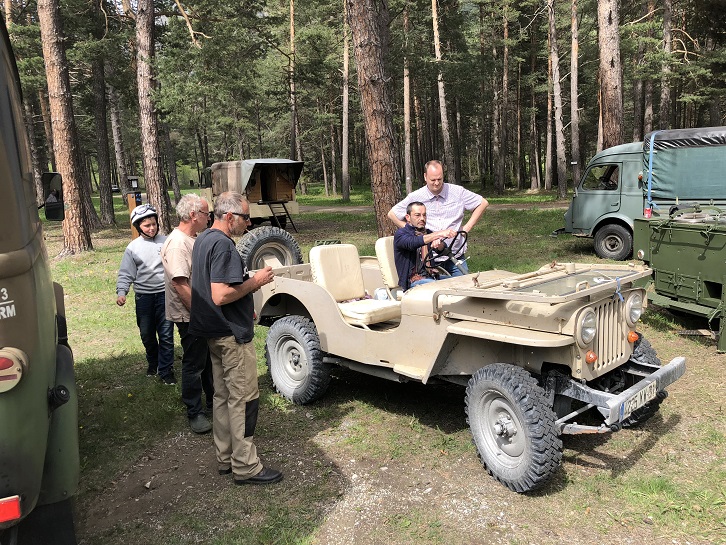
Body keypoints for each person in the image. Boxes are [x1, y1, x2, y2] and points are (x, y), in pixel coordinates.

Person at [189, 191, 282, 485]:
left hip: (213, 333)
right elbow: (220, 295)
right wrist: (255, 282)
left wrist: (244, 296)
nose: (249, 222)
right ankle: (246, 466)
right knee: (244, 399)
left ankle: (225, 457)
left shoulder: (203, 239)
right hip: (231, 336)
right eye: (245, 217)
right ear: (229, 217)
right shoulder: (223, 245)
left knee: (222, 397)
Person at [161, 194, 215, 434]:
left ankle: (213, 401)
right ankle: (195, 411)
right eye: (205, 213)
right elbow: (179, 283)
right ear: (193, 215)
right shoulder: (177, 244)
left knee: (207, 360)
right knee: (194, 363)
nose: (208, 218)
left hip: (199, 313)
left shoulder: (191, 238)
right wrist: (198, 314)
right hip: (189, 315)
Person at [387, 159, 489, 276]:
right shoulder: (415, 196)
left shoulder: (457, 192)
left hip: (455, 255)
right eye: (433, 180)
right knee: (438, 286)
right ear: (425, 177)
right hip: (431, 259)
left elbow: (482, 203)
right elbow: (392, 214)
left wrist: (466, 228)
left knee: (464, 285)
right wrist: (413, 232)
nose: (436, 183)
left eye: (439, 179)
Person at [116, 204, 176, 384]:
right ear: (138, 227)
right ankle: (153, 362)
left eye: (154, 224)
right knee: (147, 334)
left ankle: (166, 371)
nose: (151, 228)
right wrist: (122, 291)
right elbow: (126, 273)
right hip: (144, 298)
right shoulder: (133, 248)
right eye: (146, 225)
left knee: (166, 335)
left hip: (165, 295)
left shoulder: (166, 242)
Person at [394, 202, 457, 290]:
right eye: (417, 215)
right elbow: (413, 243)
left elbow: (441, 250)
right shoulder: (401, 234)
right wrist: (438, 234)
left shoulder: (427, 233)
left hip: (431, 276)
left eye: (424, 215)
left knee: (457, 282)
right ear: (408, 217)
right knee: (441, 287)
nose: (422, 218)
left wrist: (439, 243)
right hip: (412, 282)